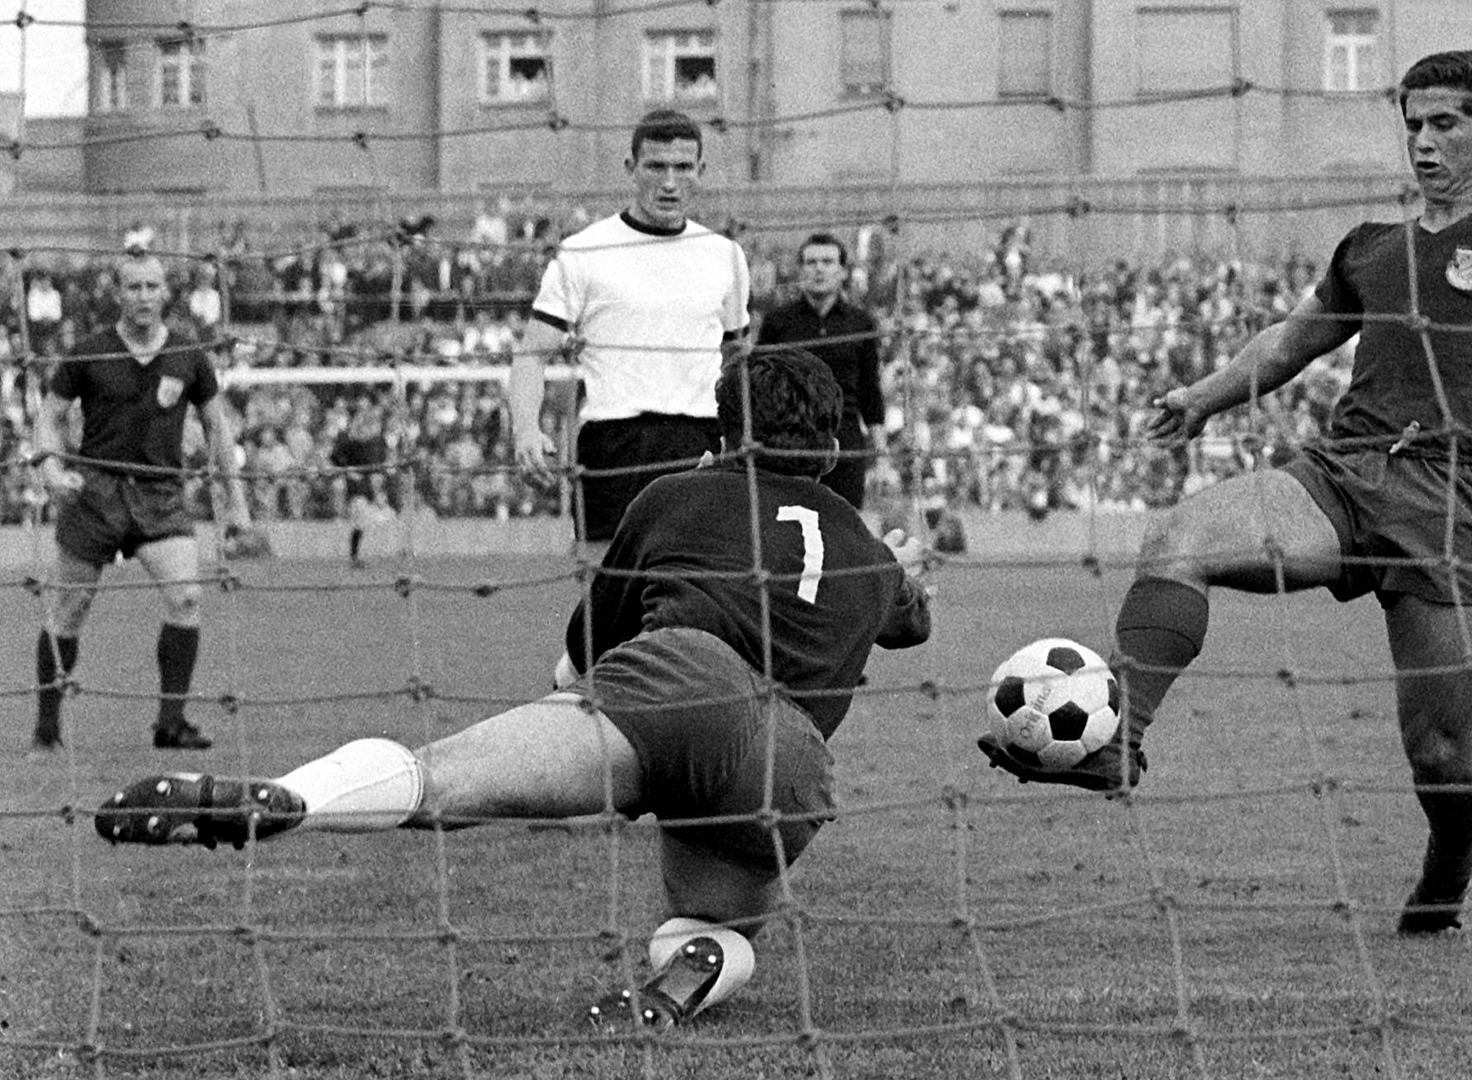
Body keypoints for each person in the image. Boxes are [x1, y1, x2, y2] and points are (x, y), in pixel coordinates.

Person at [977, 50, 1472, 935]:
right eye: (1413, 125)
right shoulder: (1371, 246)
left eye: (1445, 125)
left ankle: (1451, 862)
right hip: (1344, 472)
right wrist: (1204, 397)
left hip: (1457, 499)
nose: (1424, 144)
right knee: (1182, 537)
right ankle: (1117, 743)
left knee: (1440, 751)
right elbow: (1291, 342)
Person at [96, 349, 934, 1029]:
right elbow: (909, 621)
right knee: (711, 924)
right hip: (792, 770)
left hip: (682, 680)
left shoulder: (677, 494)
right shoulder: (868, 551)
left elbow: (582, 659)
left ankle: (289, 797)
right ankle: (689, 979)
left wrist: (573, 716)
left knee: (444, 778)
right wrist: (899, 578)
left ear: (722, 431)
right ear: (832, 447)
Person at [31, 254, 254, 751]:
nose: (144, 295)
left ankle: (170, 724)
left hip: (159, 495)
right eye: (134, 287)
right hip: (96, 493)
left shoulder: (189, 354)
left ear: (165, 293)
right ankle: (46, 730)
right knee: (69, 608)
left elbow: (218, 429)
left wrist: (236, 500)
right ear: (119, 293)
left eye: (152, 286)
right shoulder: (89, 353)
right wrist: (50, 469)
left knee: (188, 597)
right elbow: (48, 416)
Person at [510, 108, 752, 546]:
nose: (669, 182)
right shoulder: (584, 252)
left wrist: (741, 437)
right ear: (630, 169)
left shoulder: (724, 255)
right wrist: (526, 428)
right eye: (656, 167)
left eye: (682, 168)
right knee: (610, 598)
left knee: (702, 596)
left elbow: (738, 358)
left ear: (701, 171)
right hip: (615, 442)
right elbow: (531, 352)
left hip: (700, 444)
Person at [754, 232, 886, 509]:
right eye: (811, 262)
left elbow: (870, 390)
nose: (819, 268)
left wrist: (880, 449)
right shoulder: (778, 323)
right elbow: (759, 384)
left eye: (827, 261)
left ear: (842, 271)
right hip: (788, 441)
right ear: (800, 270)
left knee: (845, 525)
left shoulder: (861, 323)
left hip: (845, 439)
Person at [329, 405, 390, 568]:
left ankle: (355, 557)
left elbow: (377, 464)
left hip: (367, 483)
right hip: (356, 483)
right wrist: (348, 471)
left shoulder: (374, 443)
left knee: (364, 522)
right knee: (360, 519)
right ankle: (354, 557)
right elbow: (334, 457)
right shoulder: (349, 441)